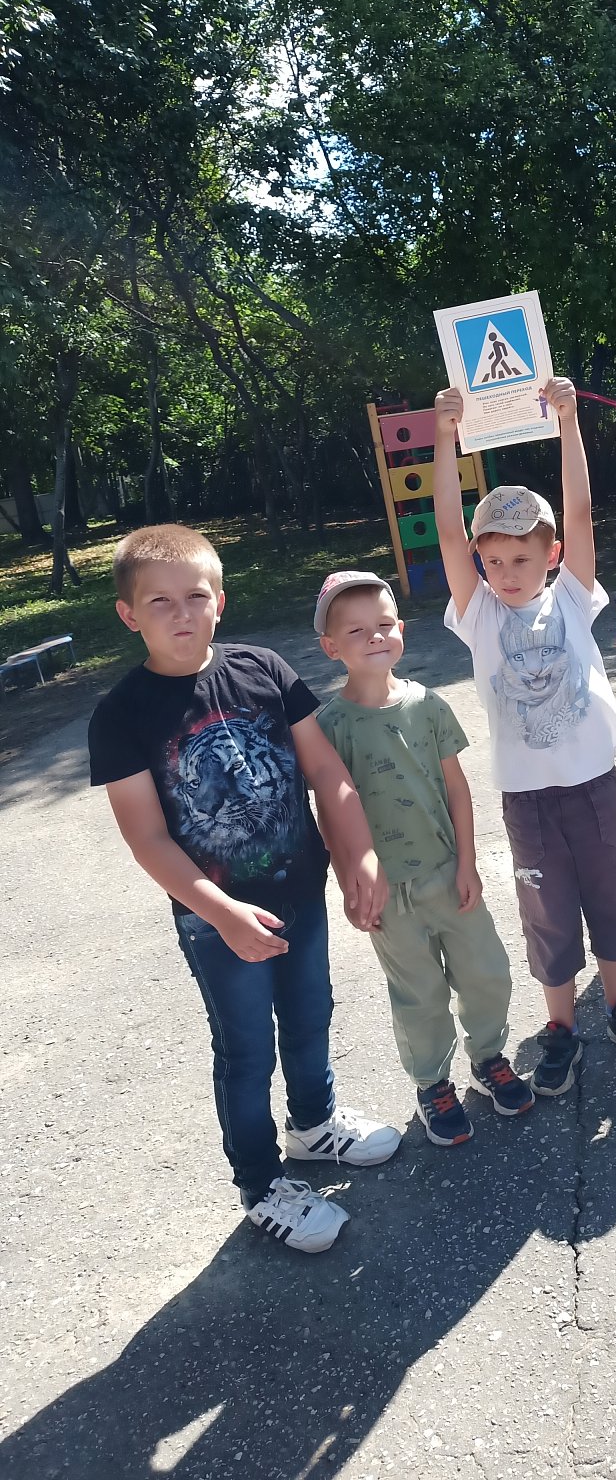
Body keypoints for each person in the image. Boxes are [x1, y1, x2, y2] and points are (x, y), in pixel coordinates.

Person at [87, 526, 400, 1255]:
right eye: (159, 602)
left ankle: (314, 1125)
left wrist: (358, 854)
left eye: (196, 596)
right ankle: (261, 1184)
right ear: (128, 614)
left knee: (311, 1015)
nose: (182, 613)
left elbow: (325, 771)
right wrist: (221, 913)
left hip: (301, 892)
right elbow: (147, 837)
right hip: (217, 918)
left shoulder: (263, 668)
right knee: (247, 1051)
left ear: (220, 602)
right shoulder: (121, 716)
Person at [433, 377, 616, 1097]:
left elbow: (583, 512)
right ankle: (560, 1025)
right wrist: (443, 438)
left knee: (614, 898)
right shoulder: (478, 614)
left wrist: (568, 424)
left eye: (522, 558)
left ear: (552, 553)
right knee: (549, 915)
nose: (507, 574)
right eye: (494, 561)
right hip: (528, 801)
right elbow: (448, 532)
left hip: (594, 785)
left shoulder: (571, 595)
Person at [313, 569, 534, 1147]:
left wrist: (468, 863)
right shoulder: (328, 727)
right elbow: (330, 812)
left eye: (384, 624)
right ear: (331, 648)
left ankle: (488, 1057)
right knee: (420, 997)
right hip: (387, 893)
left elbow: (456, 788)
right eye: (356, 631)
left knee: (487, 973)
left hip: (446, 873)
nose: (374, 637)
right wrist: (350, 884)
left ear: (402, 630)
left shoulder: (428, 705)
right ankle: (433, 1083)